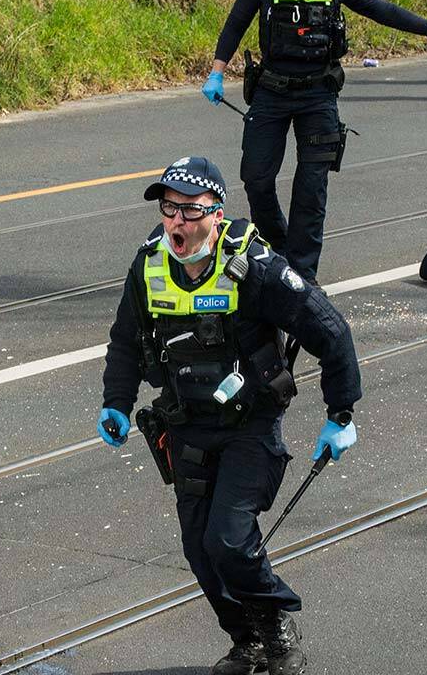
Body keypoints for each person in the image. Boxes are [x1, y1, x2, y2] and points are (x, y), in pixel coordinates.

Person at [98, 157, 362, 675]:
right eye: (168, 209)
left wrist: (341, 412)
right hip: (186, 426)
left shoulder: (257, 269)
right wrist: (116, 400)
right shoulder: (147, 265)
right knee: (200, 550)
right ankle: (249, 640)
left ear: (216, 215)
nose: (177, 222)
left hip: (250, 428)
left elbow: (330, 331)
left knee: (229, 540)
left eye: (190, 211)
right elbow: (125, 341)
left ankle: (278, 628)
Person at [204, 0, 427, 286]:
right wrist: (216, 73)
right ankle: (278, 248)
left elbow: (382, 10)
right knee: (255, 178)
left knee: (311, 186)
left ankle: (301, 275)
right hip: (271, 91)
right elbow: (235, 23)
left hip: (318, 95)